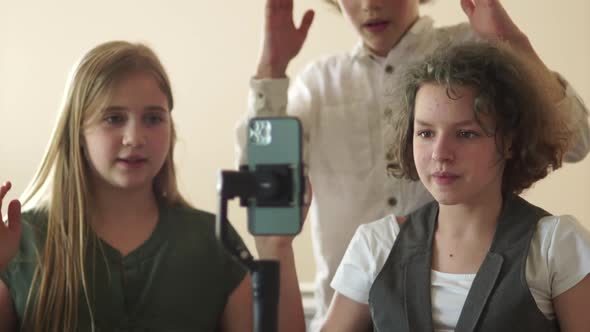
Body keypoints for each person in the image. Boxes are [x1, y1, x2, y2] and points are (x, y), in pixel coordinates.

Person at [235, 0, 590, 328]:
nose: (369, 5)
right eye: (424, 133)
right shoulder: (318, 85)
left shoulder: (478, 53)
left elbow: (574, 141)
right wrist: (271, 70)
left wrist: (510, 41)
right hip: (344, 309)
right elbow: (261, 182)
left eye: (464, 133)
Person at [0, 41, 304, 332]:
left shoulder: (212, 242)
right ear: (78, 131)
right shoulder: (21, 242)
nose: (135, 137)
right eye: (114, 118)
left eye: (153, 118)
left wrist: (277, 247)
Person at [324, 41, 590, 331]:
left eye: (465, 133)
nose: (440, 153)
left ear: (510, 141)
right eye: (425, 132)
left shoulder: (556, 246)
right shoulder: (376, 245)